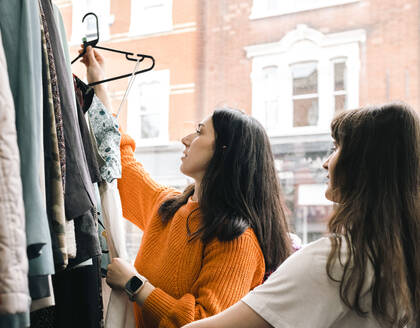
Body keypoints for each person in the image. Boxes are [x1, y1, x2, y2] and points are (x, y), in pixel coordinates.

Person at [79, 45, 293, 327]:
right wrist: (97, 82)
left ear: (225, 151)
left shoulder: (237, 240)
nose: (186, 138)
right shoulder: (167, 207)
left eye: (200, 132)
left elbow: (205, 322)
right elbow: (119, 160)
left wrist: (135, 284)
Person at [183, 103, 420, 328]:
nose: (326, 163)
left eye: (337, 148)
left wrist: (144, 290)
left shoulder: (336, 260)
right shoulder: (396, 256)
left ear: (364, 164)